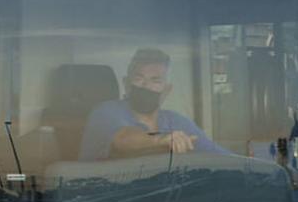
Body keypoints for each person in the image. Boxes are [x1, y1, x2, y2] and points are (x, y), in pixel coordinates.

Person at [79, 48, 225, 160]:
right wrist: (161, 140)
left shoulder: (175, 121)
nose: (145, 86)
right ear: (126, 83)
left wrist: (246, 162)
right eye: (139, 78)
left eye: (155, 81)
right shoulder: (105, 112)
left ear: (166, 90)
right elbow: (123, 140)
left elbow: (220, 156)